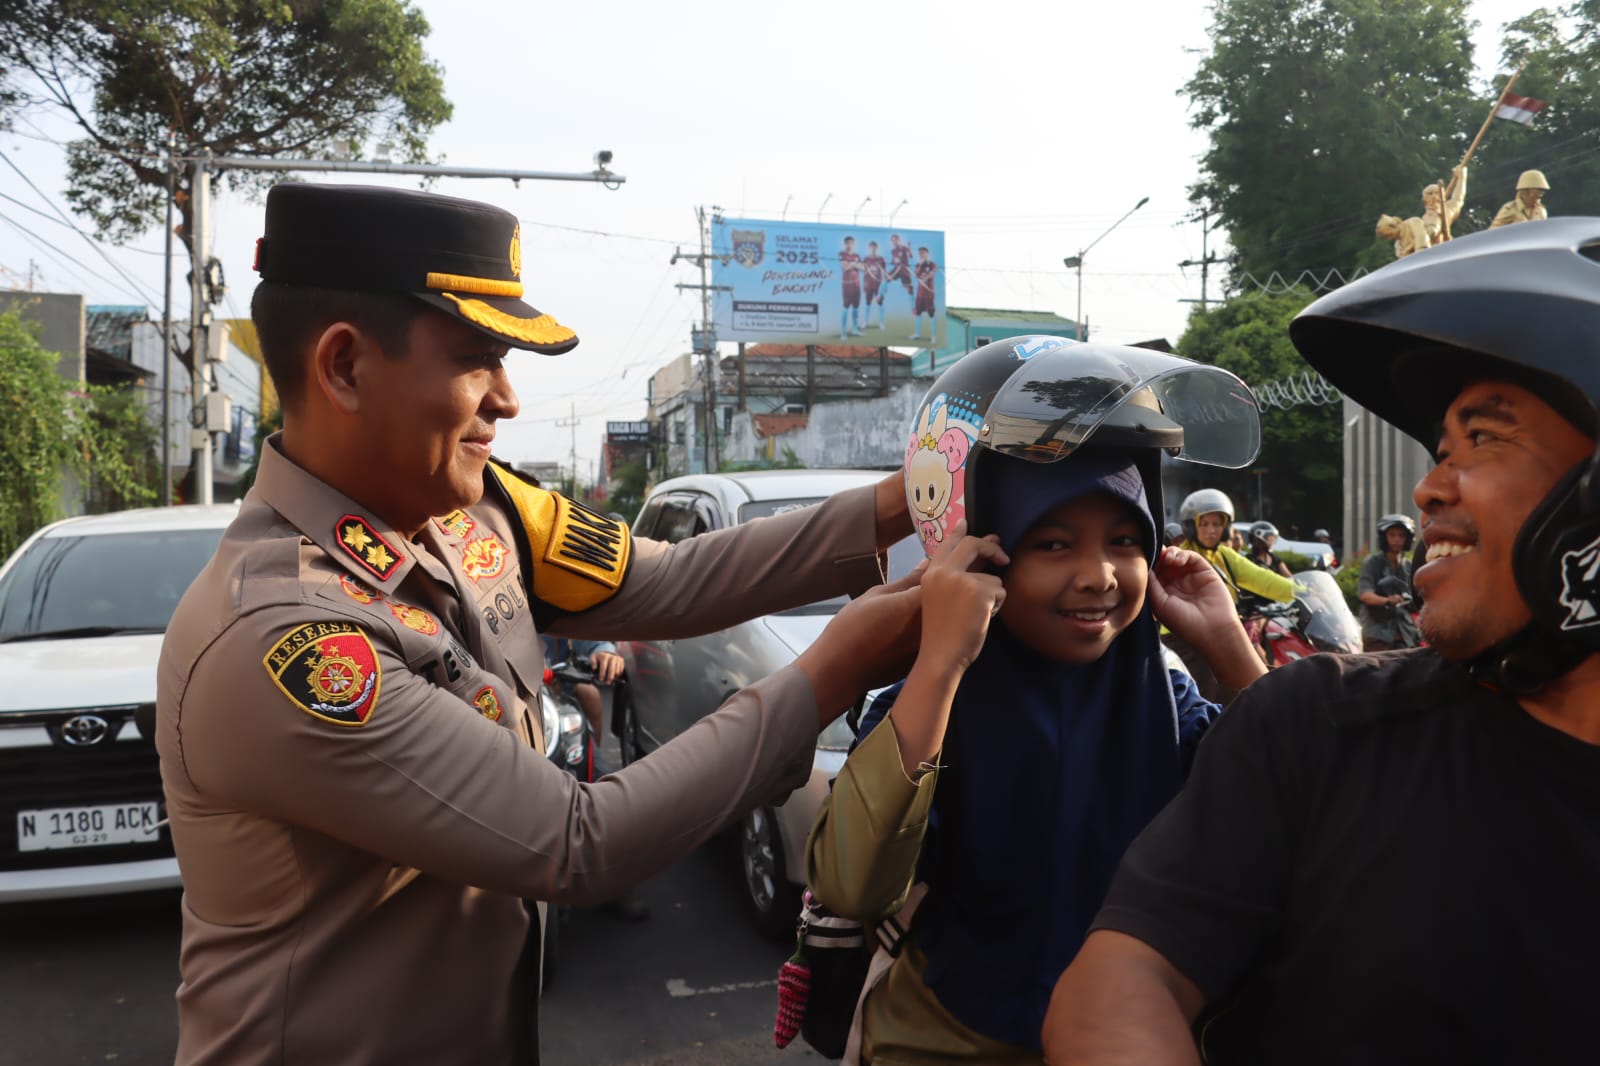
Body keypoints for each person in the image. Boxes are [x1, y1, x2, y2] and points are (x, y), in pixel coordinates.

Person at [155, 182, 922, 1066]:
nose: (508, 399)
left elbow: (672, 578)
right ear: (344, 367)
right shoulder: (286, 638)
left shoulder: (483, 513)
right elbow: (575, 841)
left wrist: (906, 504)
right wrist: (834, 670)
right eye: (479, 358)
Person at [1043, 218, 1600, 1064]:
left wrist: (1243, 627)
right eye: (1437, 449)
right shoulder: (1318, 727)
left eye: (1482, 440)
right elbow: (1118, 990)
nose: (1428, 486)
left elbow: (1281, 590)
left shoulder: (1253, 570)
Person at [805, 337, 1267, 1064]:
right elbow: (852, 886)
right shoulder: (928, 701)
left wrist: (1232, 650)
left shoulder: (1165, 697)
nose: (1100, 576)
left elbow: (1304, 818)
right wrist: (940, 662)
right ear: (978, 551)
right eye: (1052, 543)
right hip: (947, 1039)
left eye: (1125, 539)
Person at [1167, 489, 1293, 701]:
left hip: (1222, 633)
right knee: (1206, 694)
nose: (1211, 531)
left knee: (1252, 683)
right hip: (1185, 637)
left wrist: (1305, 591)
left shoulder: (1225, 556)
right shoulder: (1182, 556)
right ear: (1191, 526)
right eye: (1204, 524)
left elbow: (1262, 578)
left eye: (1217, 524)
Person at [1356, 513, 1422, 650]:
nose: (1397, 539)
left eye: (1401, 535)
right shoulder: (1372, 563)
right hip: (1377, 633)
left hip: (1406, 633)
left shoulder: (1409, 566)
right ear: (1384, 538)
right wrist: (1387, 600)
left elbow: (1419, 595)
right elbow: (1365, 594)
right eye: (1392, 535)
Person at [909, 246, 938, 340]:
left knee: (931, 313)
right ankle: (917, 333)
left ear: (927, 253)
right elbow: (915, 275)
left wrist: (924, 279)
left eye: (922, 253)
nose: (921, 254)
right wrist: (920, 265)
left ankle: (933, 336)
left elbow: (932, 273)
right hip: (920, 294)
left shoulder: (931, 264)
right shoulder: (919, 265)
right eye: (920, 253)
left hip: (929, 293)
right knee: (918, 313)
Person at [840, 235, 865, 338]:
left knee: (856, 307)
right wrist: (855, 265)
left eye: (851, 242)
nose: (849, 244)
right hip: (847, 285)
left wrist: (853, 264)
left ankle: (855, 329)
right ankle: (843, 332)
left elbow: (863, 268)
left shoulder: (857, 256)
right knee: (845, 307)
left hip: (856, 285)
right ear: (845, 244)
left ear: (853, 244)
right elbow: (844, 267)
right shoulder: (842, 254)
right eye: (847, 242)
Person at [863, 239, 889, 328]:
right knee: (868, 303)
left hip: (878, 285)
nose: (873, 249)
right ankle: (865, 322)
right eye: (871, 247)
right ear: (869, 248)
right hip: (869, 284)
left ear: (877, 248)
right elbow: (865, 272)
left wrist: (885, 286)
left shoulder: (881, 259)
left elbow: (885, 272)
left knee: (880, 303)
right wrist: (864, 285)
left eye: (874, 247)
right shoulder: (866, 259)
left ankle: (881, 323)